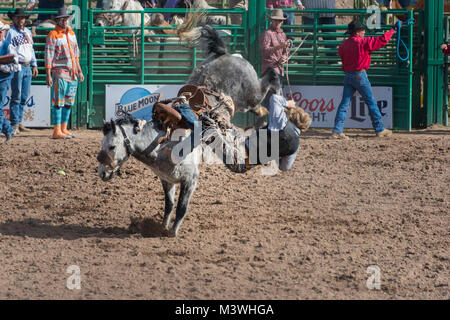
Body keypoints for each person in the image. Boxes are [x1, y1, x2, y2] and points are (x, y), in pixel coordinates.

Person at [331, 20, 398, 139]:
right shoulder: (363, 42)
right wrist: (392, 30)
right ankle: (379, 129)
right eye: (362, 30)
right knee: (371, 102)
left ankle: (337, 130)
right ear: (357, 32)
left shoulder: (343, 45)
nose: (364, 32)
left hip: (348, 75)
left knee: (344, 104)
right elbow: (381, 40)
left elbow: (342, 57)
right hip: (360, 75)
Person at [45, 7, 84, 139]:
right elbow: (49, 56)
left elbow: (76, 54)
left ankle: (63, 128)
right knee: (58, 101)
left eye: (66, 18)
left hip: (72, 72)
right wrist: (48, 74)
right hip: (60, 72)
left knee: (68, 102)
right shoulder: (53, 35)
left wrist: (79, 70)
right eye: (63, 19)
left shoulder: (72, 34)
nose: (65, 21)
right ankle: (57, 131)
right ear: (58, 20)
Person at [5, 8, 39, 135]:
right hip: (17, 66)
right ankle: (14, 124)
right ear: (13, 19)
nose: (20, 20)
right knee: (17, 95)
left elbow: (31, 49)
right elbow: (6, 48)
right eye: (18, 17)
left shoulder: (28, 32)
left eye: (22, 17)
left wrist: (34, 64)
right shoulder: (10, 33)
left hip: (27, 66)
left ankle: (18, 122)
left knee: (24, 96)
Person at [0, 22, 19, 143]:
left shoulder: (8, 45)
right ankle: (8, 130)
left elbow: (15, 65)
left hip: (3, 79)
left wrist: (1, 67)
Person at [259, 9, 291, 78]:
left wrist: (285, 57)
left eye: (279, 21)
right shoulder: (267, 33)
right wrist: (279, 46)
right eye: (275, 20)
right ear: (271, 21)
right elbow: (264, 52)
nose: (277, 22)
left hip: (279, 70)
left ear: (282, 22)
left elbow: (286, 51)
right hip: (269, 70)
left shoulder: (283, 35)